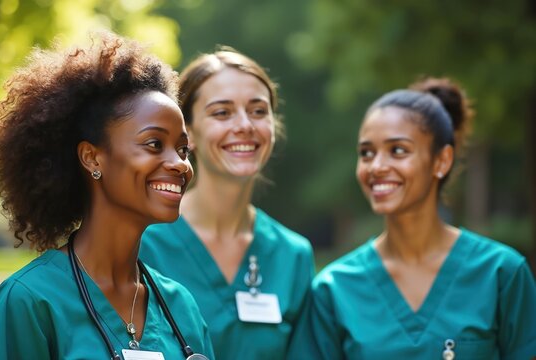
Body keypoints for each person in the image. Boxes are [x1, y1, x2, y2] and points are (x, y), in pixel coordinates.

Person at [0, 31, 215, 359]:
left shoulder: (181, 308)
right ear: (92, 158)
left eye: (182, 149)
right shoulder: (30, 301)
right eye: (153, 144)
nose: (179, 164)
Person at [287, 78, 536, 359]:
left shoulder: (501, 274)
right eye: (366, 153)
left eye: (398, 150)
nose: (377, 166)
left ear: (442, 160)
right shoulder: (334, 290)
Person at [140, 48, 315, 359]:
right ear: (188, 133)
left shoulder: (293, 255)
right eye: (222, 112)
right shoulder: (143, 242)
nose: (245, 125)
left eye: (259, 111)